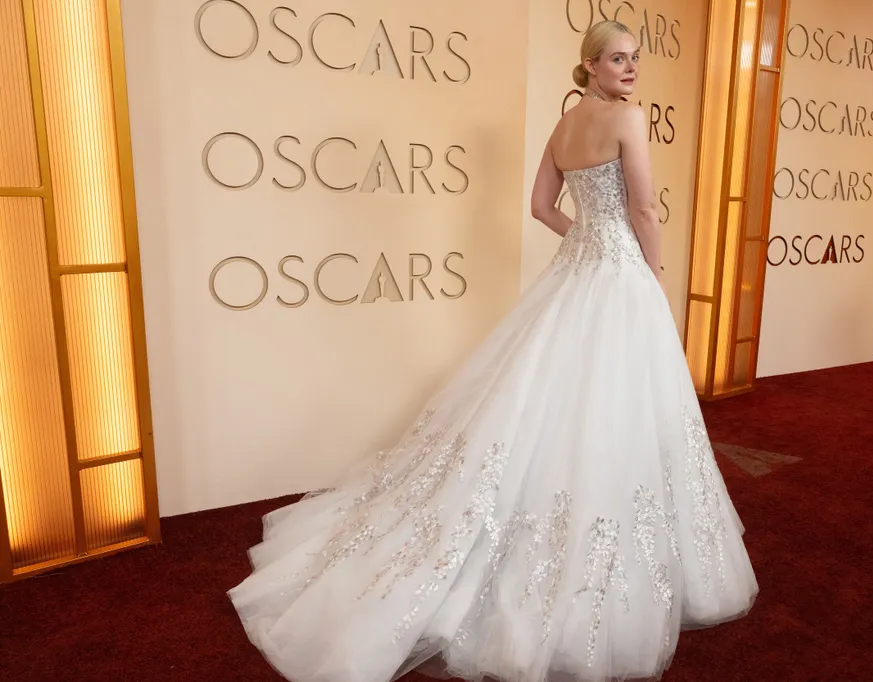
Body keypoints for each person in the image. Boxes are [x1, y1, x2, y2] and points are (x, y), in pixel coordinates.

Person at [228, 20, 758, 682]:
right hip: (620, 277)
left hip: (580, 272)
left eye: (635, 59)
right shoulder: (629, 118)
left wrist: (587, 238)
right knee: (613, 408)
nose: (631, 68)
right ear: (591, 65)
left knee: (554, 405)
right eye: (618, 59)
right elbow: (645, 210)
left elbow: (541, 206)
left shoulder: (564, 127)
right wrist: (648, 271)